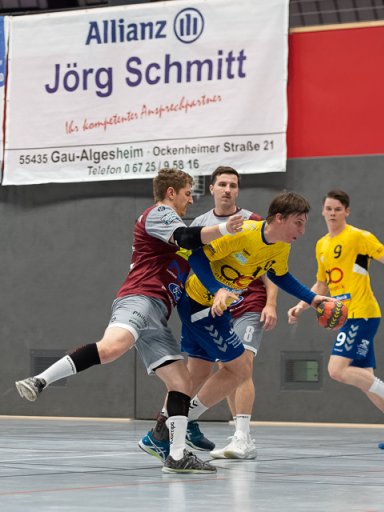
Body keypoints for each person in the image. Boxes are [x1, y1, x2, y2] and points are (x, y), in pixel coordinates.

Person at [15, 168, 243, 474]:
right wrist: (225, 228)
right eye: (188, 193)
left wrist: (220, 289)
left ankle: (177, 456)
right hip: (139, 298)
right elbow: (186, 236)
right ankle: (40, 380)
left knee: (181, 383)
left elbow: (194, 254)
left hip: (158, 315)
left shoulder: (178, 242)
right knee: (113, 347)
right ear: (171, 192)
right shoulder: (160, 213)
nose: (191, 200)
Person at [143, 191, 331, 460]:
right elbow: (197, 257)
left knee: (197, 372)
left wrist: (313, 299)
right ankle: (176, 425)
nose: (302, 231)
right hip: (199, 305)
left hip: (218, 308)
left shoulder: (281, 246)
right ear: (279, 218)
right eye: (298, 223)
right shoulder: (243, 233)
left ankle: (161, 433)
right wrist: (217, 289)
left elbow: (281, 275)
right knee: (240, 369)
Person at [139, 166, 278, 461]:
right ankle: (169, 427)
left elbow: (270, 267)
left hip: (247, 302)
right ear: (212, 189)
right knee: (198, 371)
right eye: (222, 184)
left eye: (233, 185)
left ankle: (241, 436)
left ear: (238, 191)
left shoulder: (252, 221)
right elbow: (191, 265)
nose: (228, 189)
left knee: (241, 364)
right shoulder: (200, 225)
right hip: (207, 304)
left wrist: (271, 303)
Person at [287, 189, 384, 450]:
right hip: (346, 316)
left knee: (336, 370)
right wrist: (302, 305)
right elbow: (322, 284)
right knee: (366, 380)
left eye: (338, 209)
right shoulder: (321, 245)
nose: (332, 213)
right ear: (322, 211)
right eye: (328, 208)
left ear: (346, 211)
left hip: (362, 313)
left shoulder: (359, 237)